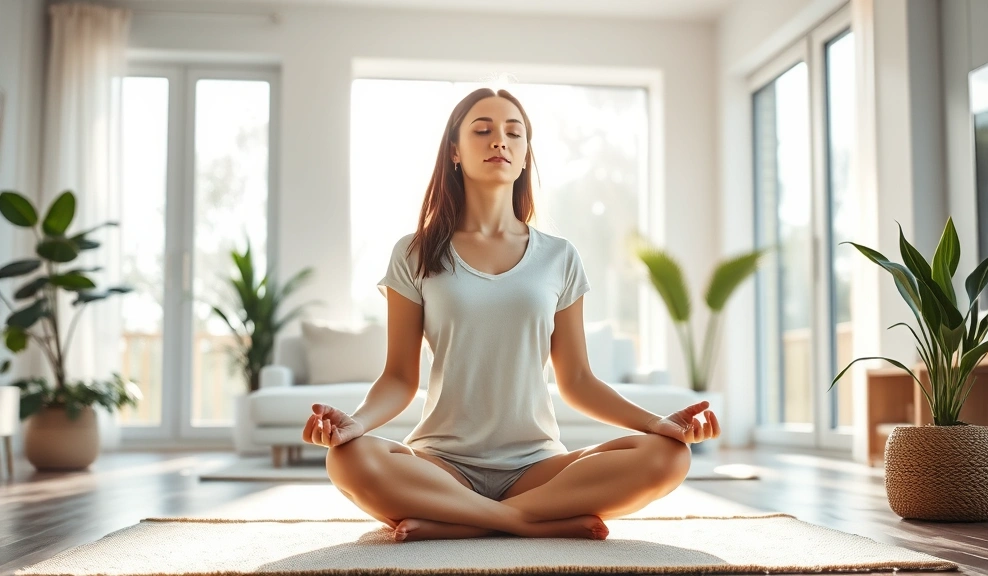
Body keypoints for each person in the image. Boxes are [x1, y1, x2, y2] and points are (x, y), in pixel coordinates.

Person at [301, 87, 720, 543]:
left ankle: (458, 522)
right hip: (441, 464)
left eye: (513, 133)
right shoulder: (414, 252)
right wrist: (355, 426)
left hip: (537, 468)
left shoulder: (559, 257)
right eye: (482, 130)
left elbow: (577, 380)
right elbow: (400, 378)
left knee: (670, 457)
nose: (499, 140)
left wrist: (659, 424)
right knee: (345, 459)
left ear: (524, 157)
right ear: (455, 152)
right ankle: (522, 523)